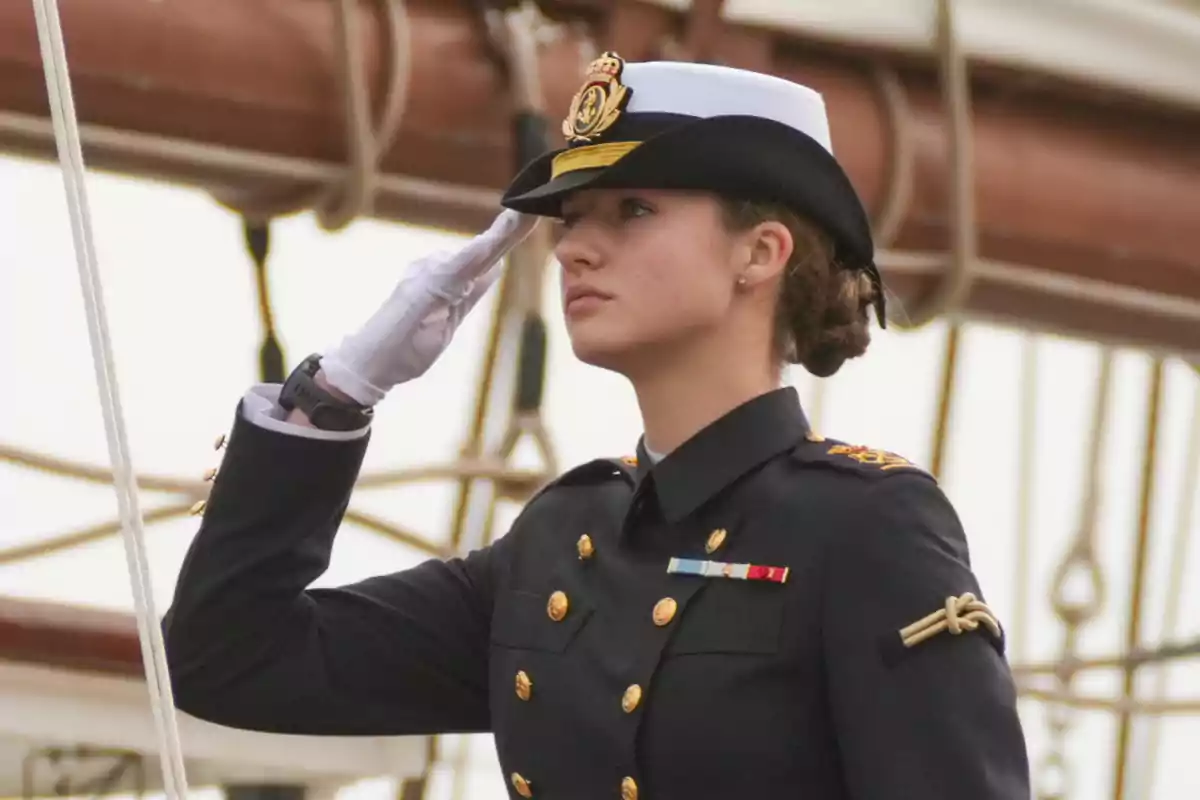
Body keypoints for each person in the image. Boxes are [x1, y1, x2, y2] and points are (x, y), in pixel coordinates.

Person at [164, 53, 1030, 799]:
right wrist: (340, 391)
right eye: (572, 220)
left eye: (634, 211)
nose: (575, 247)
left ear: (759, 254)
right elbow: (228, 659)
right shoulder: (560, 543)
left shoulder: (864, 528)